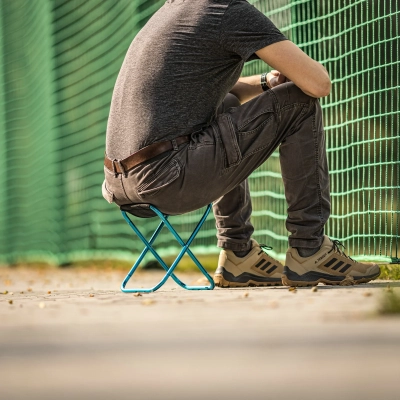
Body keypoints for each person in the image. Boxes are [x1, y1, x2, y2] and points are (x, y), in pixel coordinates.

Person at [102, 0, 380, 287]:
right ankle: (310, 249)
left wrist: (266, 82)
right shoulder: (227, 10)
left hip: (122, 183)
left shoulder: (172, 12)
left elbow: (213, 90)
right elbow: (318, 84)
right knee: (299, 101)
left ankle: (239, 254)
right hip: (169, 179)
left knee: (226, 103)